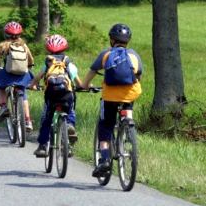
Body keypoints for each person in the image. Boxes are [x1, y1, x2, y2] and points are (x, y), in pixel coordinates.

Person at [80, 23, 143, 177]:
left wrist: (85, 85)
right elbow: (139, 74)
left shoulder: (106, 54)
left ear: (112, 39)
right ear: (127, 40)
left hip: (109, 97)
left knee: (105, 125)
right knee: (127, 107)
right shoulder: (134, 55)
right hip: (130, 94)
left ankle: (105, 159)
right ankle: (128, 129)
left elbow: (92, 71)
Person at [28, 34, 80, 157]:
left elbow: (37, 78)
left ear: (48, 50)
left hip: (51, 96)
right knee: (70, 111)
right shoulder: (69, 64)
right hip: (67, 95)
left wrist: (32, 86)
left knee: (46, 119)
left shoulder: (48, 64)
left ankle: (43, 146)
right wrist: (84, 86)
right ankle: (70, 126)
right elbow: (79, 83)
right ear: (65, 48)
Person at [0, 21, 35, 131]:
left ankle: (3, 106)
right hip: (22, 74)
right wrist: (30, 65)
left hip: (8, 73)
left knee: (0, 87)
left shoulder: (3, 46)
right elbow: (31, 59)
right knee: (24, 96)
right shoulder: (24, 46)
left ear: (6, 34)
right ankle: (28, 120)